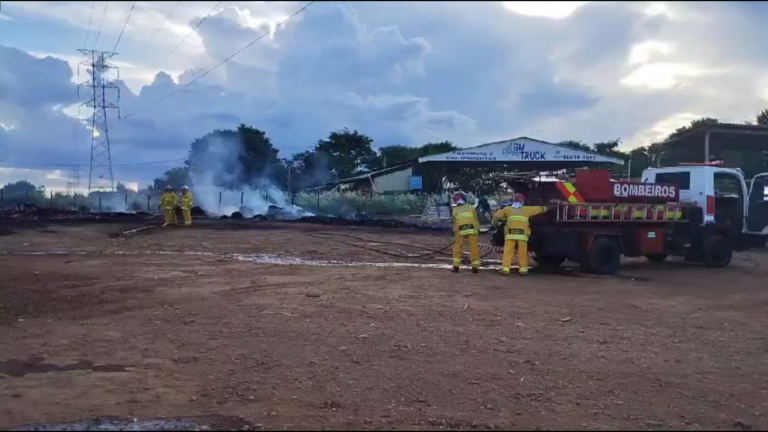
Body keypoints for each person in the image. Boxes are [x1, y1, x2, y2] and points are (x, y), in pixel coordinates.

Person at [492, 193, 551, 276]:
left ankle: (505, 269)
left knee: (508, 252)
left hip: (510, 235)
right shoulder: (527, 209)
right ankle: (523, 270)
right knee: (522, 253)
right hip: (522, 236)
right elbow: (541, 209)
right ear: (523, 201)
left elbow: (496, 216)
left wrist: (494, 225)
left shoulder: (507, 209)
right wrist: (550, 206)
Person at [451, 192, 482, 273]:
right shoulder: (471, 207)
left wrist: (455, 231)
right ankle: (475, 267)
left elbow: (455, 222)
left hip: (460, 231)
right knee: (474, 248)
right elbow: (475, 219)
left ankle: (456, 267)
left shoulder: (455, 210)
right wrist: (478, 229)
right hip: (473, 230)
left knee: (457, 248)